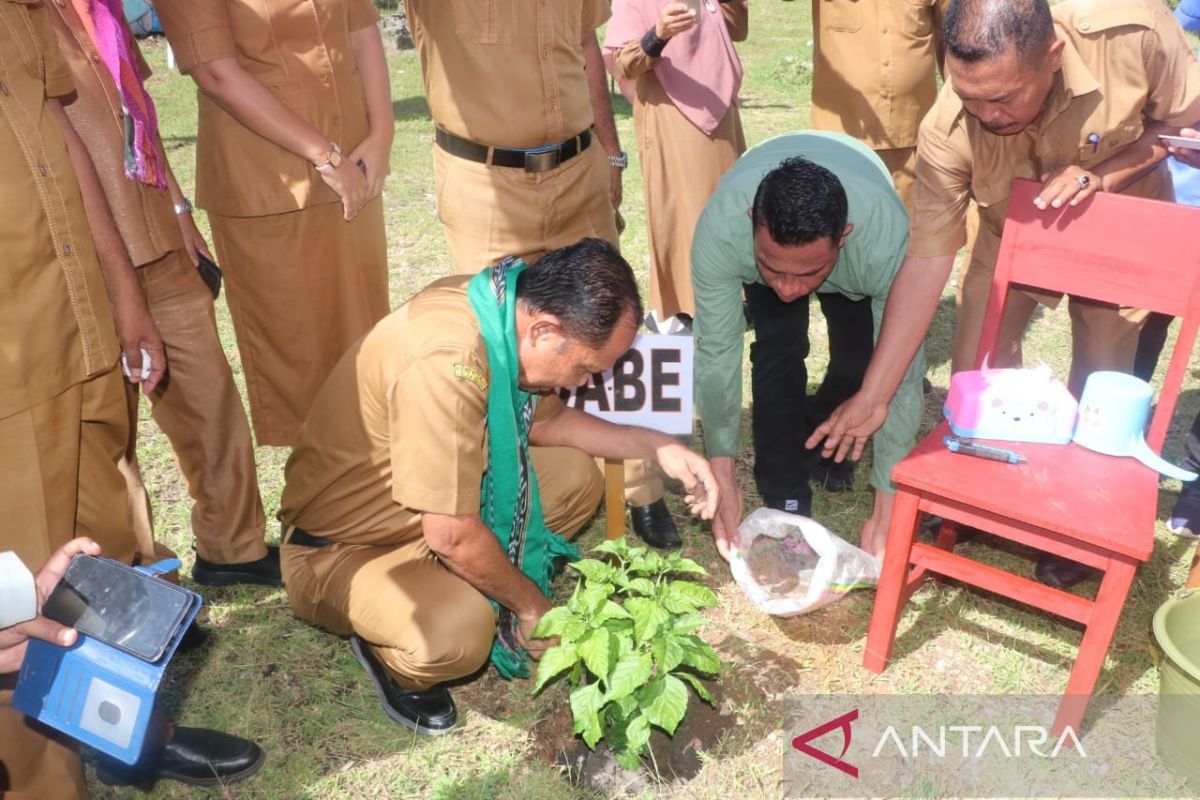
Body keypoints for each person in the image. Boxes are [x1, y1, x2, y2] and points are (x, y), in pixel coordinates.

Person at [806, 0, 1200, 588]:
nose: (988, 116)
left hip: (1122, 211)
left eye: (1005, 97)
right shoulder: (946, 128)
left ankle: (1072, 522)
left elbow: (1183, 125)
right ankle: (983, 501)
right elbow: (927, 262)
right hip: (1007, 226)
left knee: (1101, 387)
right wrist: (874, 393)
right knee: (976, 372)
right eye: (970, 98)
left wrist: (1105, 173)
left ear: (1053, 57)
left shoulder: (1133, 32)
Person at [278, 239, 718, 735]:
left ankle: (470, 577)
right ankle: (389, 649)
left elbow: (549, 426)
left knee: (575, 478)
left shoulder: (501, 311)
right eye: (586, 369)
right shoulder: (447, 360)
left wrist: (657, 445)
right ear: (546, 328)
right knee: (457, 635)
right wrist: (532, 607)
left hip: (427, 519)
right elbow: (450, 533)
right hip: (345, 549)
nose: (580, 384)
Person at [0, 4, 260, 793]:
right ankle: (46, 780)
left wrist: (121, 293)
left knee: (108, 543)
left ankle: (129, 732)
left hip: (75, 323)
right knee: (17, 596)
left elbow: (62, 141)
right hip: (9, 363)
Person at [403, 0, 680, 548]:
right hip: (486, 181)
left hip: (579, 167)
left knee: (608, 319)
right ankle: (513, 496)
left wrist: (612, 152)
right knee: (505, 348)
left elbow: (584, 50)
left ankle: (642, 491)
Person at [47, 0, 279, 587]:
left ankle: (234, 549)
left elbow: (139, 114)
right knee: (110, 435)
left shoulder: (103, 11)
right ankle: (140, 578)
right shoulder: (22, 20)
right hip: (87, 254)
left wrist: (179, 213)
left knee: (209, 399)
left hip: (155, 233)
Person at [154, 0, 393, 447]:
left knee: (367, 347)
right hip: (270, 186)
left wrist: (382, 133)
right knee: (304, 374)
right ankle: (319, 510)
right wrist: (324, 155)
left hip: (353, 173)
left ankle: (370, 496)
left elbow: (360, 28)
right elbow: (216, 74)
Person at [691, 132, 923, 561]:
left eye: (809, 273)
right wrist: (721, 467)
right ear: (751, 222)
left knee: (862, 365)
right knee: (779, 349)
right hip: (771, 204)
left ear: (844, 237)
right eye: (771, 267)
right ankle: (784, 491)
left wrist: (889, 505)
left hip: (862, 247)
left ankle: (823, 443)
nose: (787, 289)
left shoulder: (885, 241)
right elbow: (717, 356)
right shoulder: (722, 230)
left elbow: (902, 375)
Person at [603, 0, 748, 321]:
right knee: (688, 216)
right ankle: (686, 309)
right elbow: (624, 62)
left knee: (729, 210)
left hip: (722, 114)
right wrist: (660, 33)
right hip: (674, 113)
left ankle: (729, 297)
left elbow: (738, 30)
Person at [810, 0, 949, 209]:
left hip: (911, 138)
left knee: (908, 229)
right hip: (840, 139)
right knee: (841, 225)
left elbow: (949, 32)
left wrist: (958, 98)